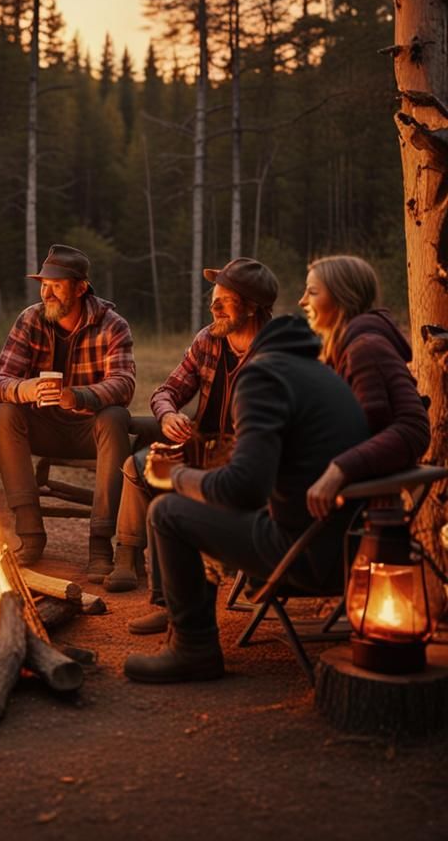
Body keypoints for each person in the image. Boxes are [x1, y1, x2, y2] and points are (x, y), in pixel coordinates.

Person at [122, 314, 369, 684]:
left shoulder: (263, 376)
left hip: (301, 554)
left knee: (167, 511)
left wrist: (174, 476)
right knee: (198, 503)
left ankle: (194, 648)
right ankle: (178, 618)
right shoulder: (324, 376)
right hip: (351, 552)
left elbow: (245, 488)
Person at [113, 258, 278, 625]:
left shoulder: (275, 352)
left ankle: (188, 600)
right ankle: (159, 593)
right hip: (204, 452)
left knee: (172, 485)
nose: (213, 306)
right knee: (141, 465)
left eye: (225, 300)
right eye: (213, 298)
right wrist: (169, 415)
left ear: (251, 306)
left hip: (249, 466)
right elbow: (166, 391)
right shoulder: (208, 340)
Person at [0, 244, 136, 571]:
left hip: (88, 428)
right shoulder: (30, 319)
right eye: (44, 284)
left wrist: (78, 396)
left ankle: (100, 545)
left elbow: (124, 383)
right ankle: (30, 535)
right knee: (4, 412)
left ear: (81, 287)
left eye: (56, 284)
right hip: (42, 426)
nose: (47, 292)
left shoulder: (112, 325)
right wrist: (22, 389)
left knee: (114, 417)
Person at [298, 255, 430, 518]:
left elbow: (413, 429)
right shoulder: (341, 352)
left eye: (312, 292)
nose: (302, 301)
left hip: (370, 508)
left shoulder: (365, 348)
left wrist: (340, 469)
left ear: (342, 298)